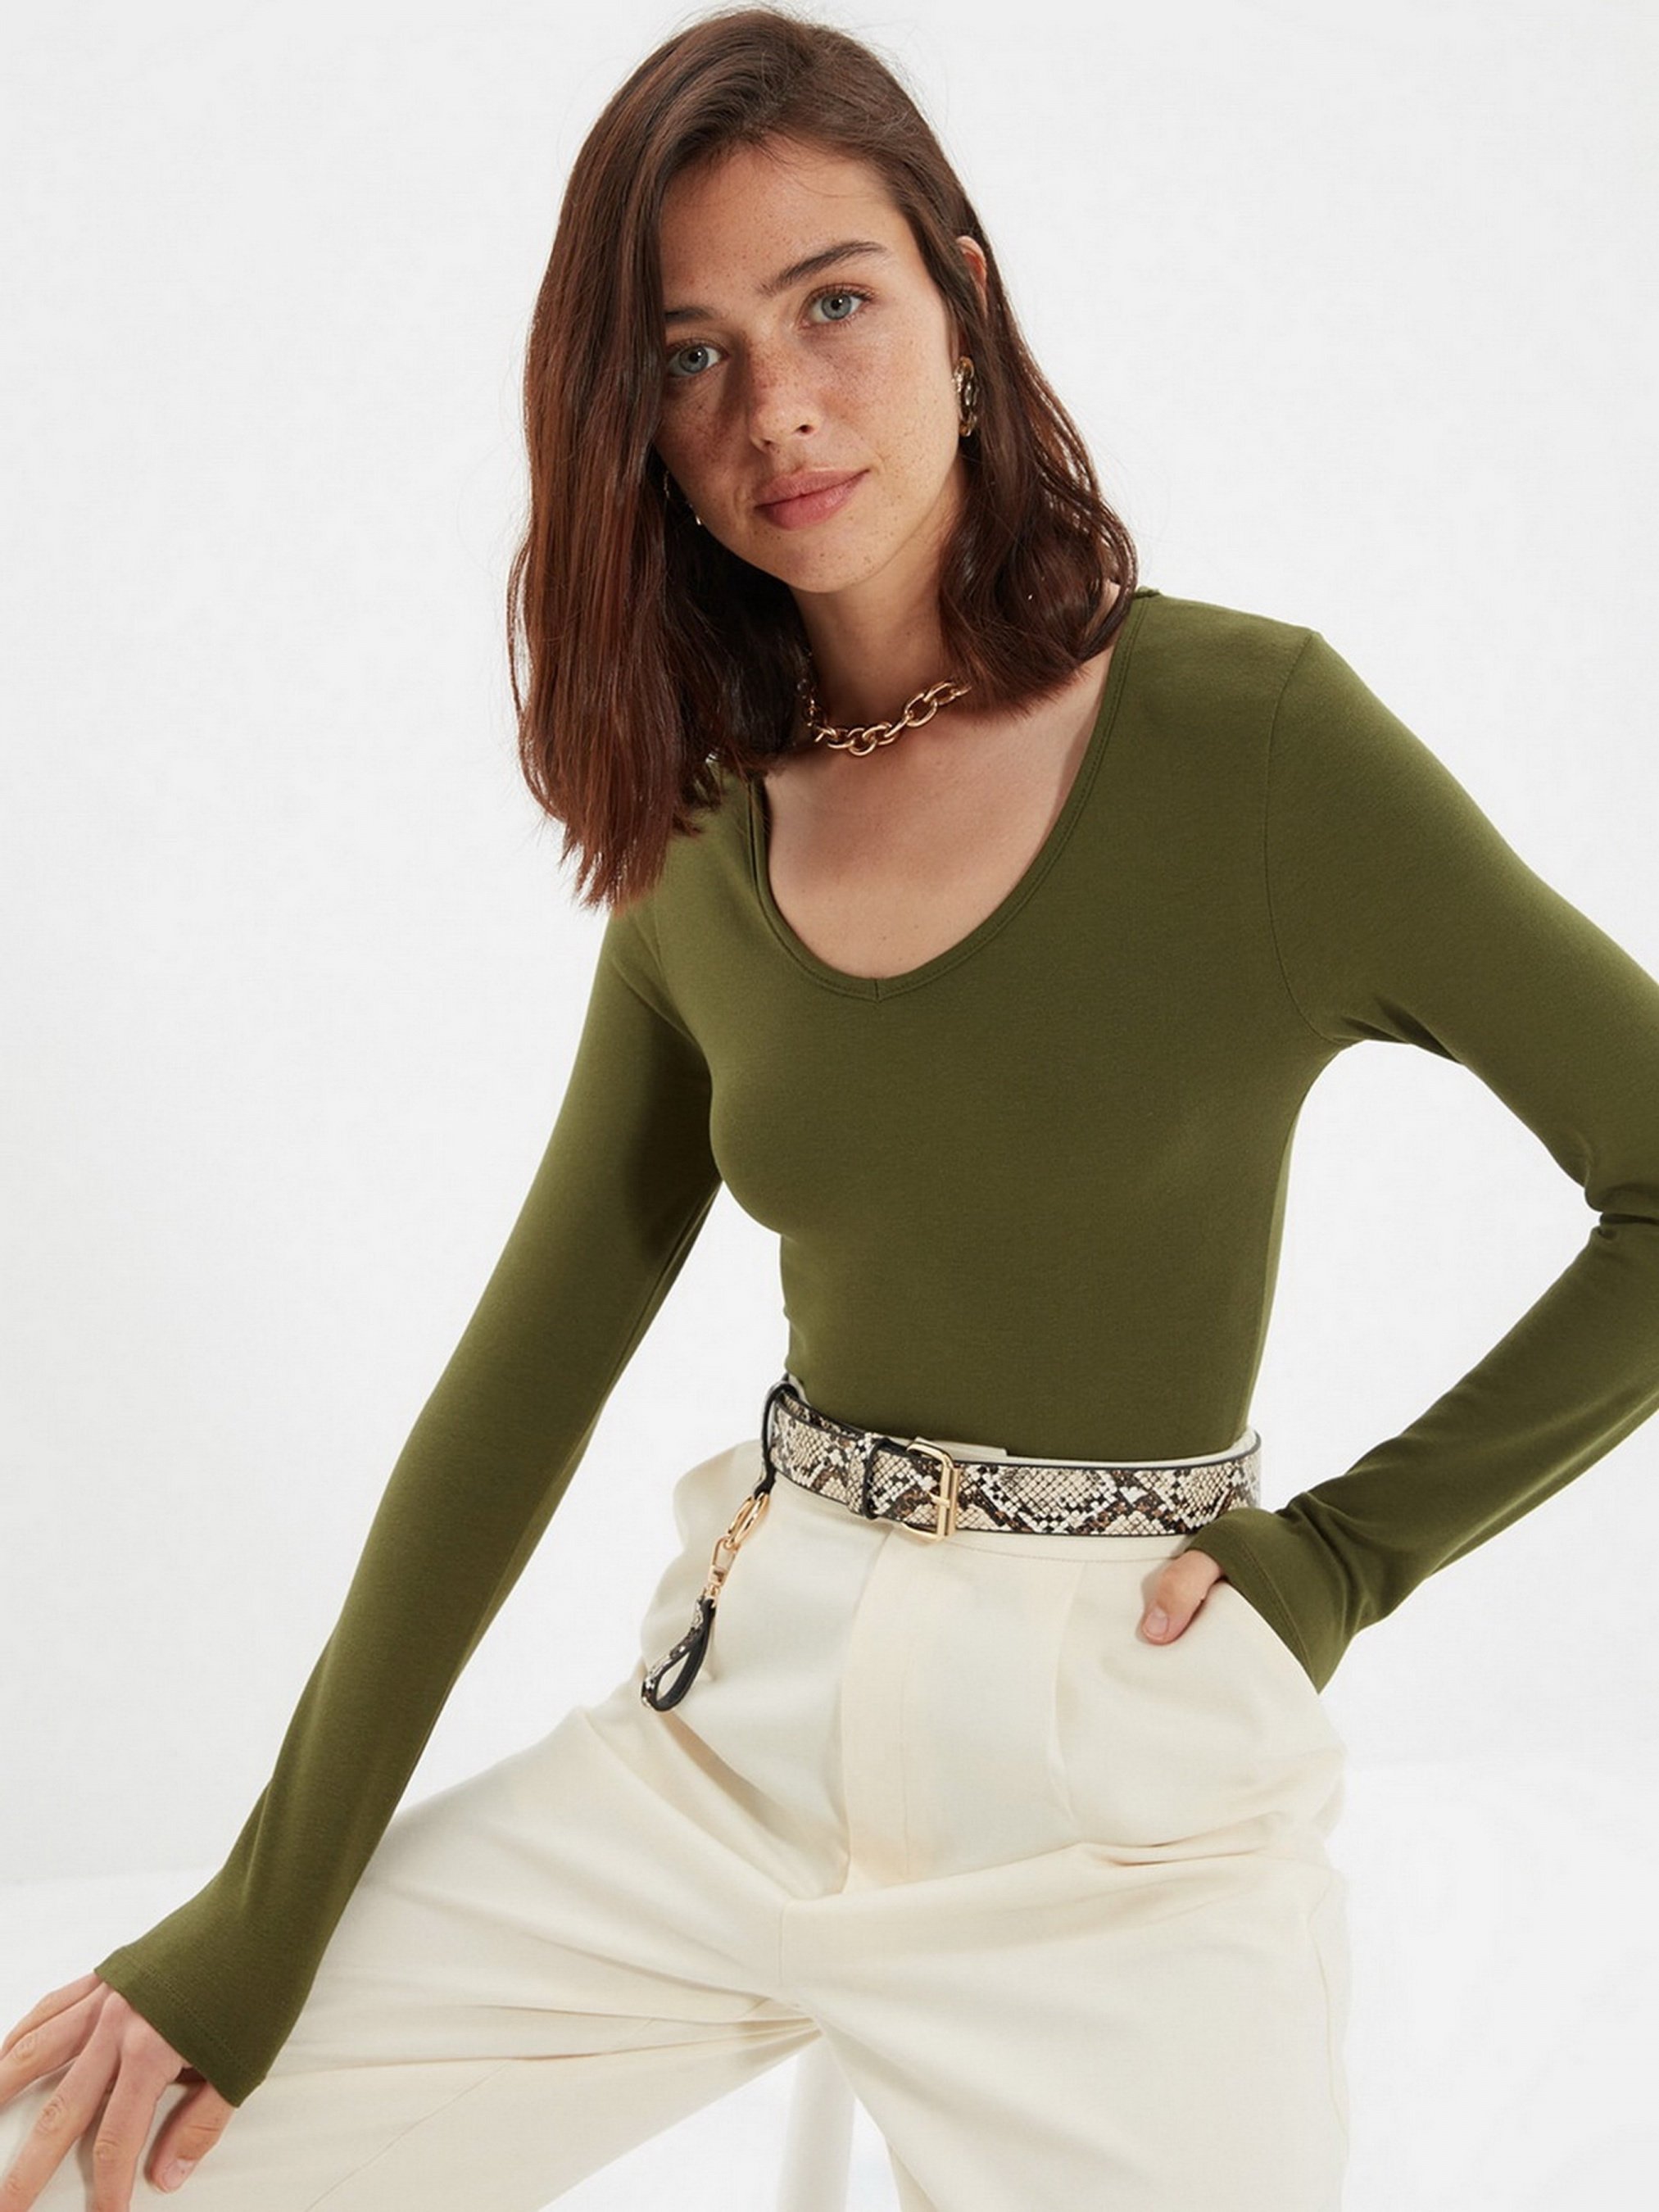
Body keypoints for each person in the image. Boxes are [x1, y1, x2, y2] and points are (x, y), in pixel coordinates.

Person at [4, 5, 1658, 2207]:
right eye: (688, 356)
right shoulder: (705, 831)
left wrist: (1350, 1558)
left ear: (962, 299)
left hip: (1112, 1793)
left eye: (833, 304)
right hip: (736, 1735)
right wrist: (258, 1914)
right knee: (90, 2164)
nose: (774, 406)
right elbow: (515, 1388)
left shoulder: (1251, 742)